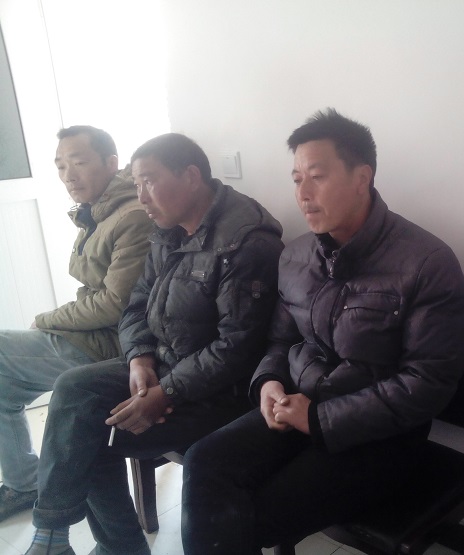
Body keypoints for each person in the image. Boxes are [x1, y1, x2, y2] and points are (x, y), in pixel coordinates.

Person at [180, 109, 464, 554]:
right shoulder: (296, 255)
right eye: (297, 179)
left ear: (362, 178)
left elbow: (427, 383)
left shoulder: (427, 262)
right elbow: (281, 340)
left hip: (383, 435)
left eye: (316, 177)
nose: (303, 194)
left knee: (250, 514)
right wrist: (269, 382)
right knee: (204, 461)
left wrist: (317, 419)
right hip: (300, 406)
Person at [24, 133, 284, 555]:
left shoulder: (245, 242)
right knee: (74, 389)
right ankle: (54, 533)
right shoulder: (168, 229)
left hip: (221, 393)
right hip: (164, 364)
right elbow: (135, 305)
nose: (141, 196)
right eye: (136, 183)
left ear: (191, 177)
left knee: (89, 436)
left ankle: (113, 548)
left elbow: (237, 348)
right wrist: (138, 359)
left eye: (149, 181)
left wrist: (167, 392)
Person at [0, 125, 151, 523]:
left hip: (113, 345)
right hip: (92, 334)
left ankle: (31, 489)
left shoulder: (132, 217)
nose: (68, 175)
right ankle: (23, 482)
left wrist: (46, 319)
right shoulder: (98, 212)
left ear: (112, 163)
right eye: (61, 165)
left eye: (79, 162)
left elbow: (114, 305)